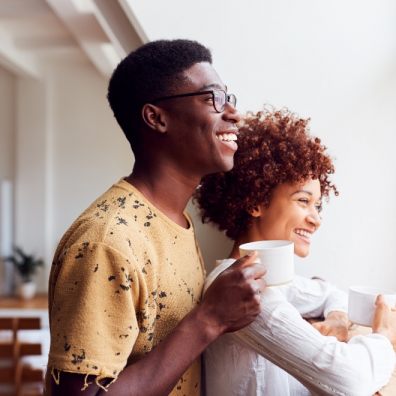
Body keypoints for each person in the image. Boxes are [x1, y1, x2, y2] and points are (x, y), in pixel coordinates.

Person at [44, 39, 267, 396]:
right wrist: (208, 321)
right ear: (156, 118)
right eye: (213, 98)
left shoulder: (174, 221)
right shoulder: (106, 241)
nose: (234, 114)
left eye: (229, 97)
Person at [194, 109, 396, 396]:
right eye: (303, 201)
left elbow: (328, 293)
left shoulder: (270, 277)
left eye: (318, 205)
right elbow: (352, 380)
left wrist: (337, 318)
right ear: (256, 202)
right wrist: (384, 337)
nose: (316, 219)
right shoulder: (240, 290)